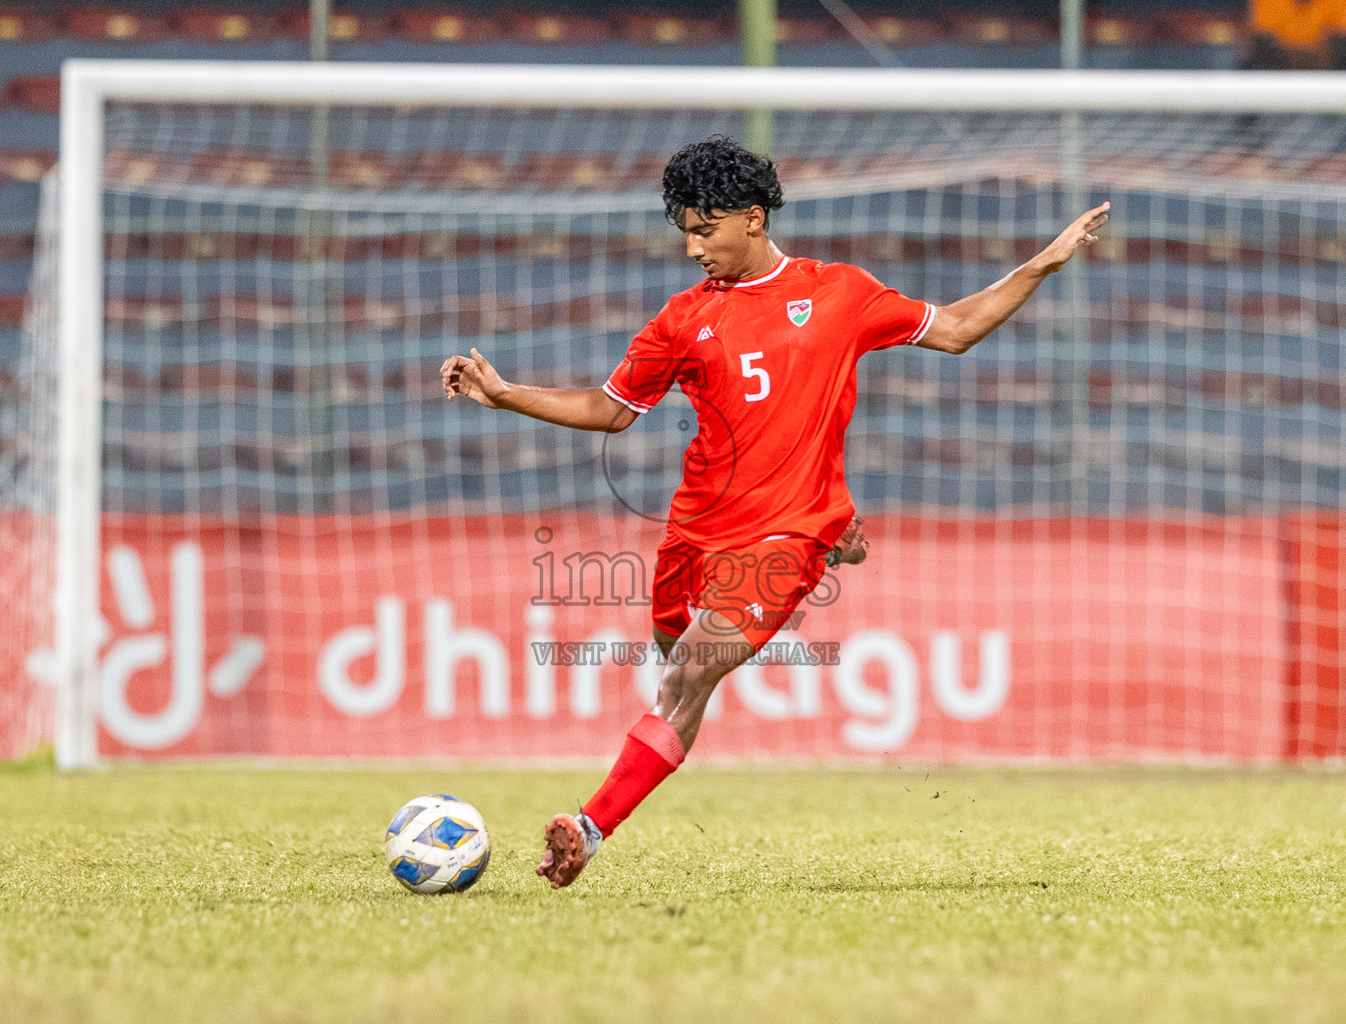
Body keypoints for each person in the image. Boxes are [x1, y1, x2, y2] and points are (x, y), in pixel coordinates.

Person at [441, 136, 1109, 889]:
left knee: (690, 673)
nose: (693, 248)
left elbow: (953, 329)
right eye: (685, 232)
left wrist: (1042, 264)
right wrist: (505, 395)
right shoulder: (681, 321)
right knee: (671, 662)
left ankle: (589, 826)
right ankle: (829, 541)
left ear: (752, 218)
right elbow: (611, 408)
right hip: (694, 528)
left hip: (786, 531)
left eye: (705, 230)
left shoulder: (839, 294)